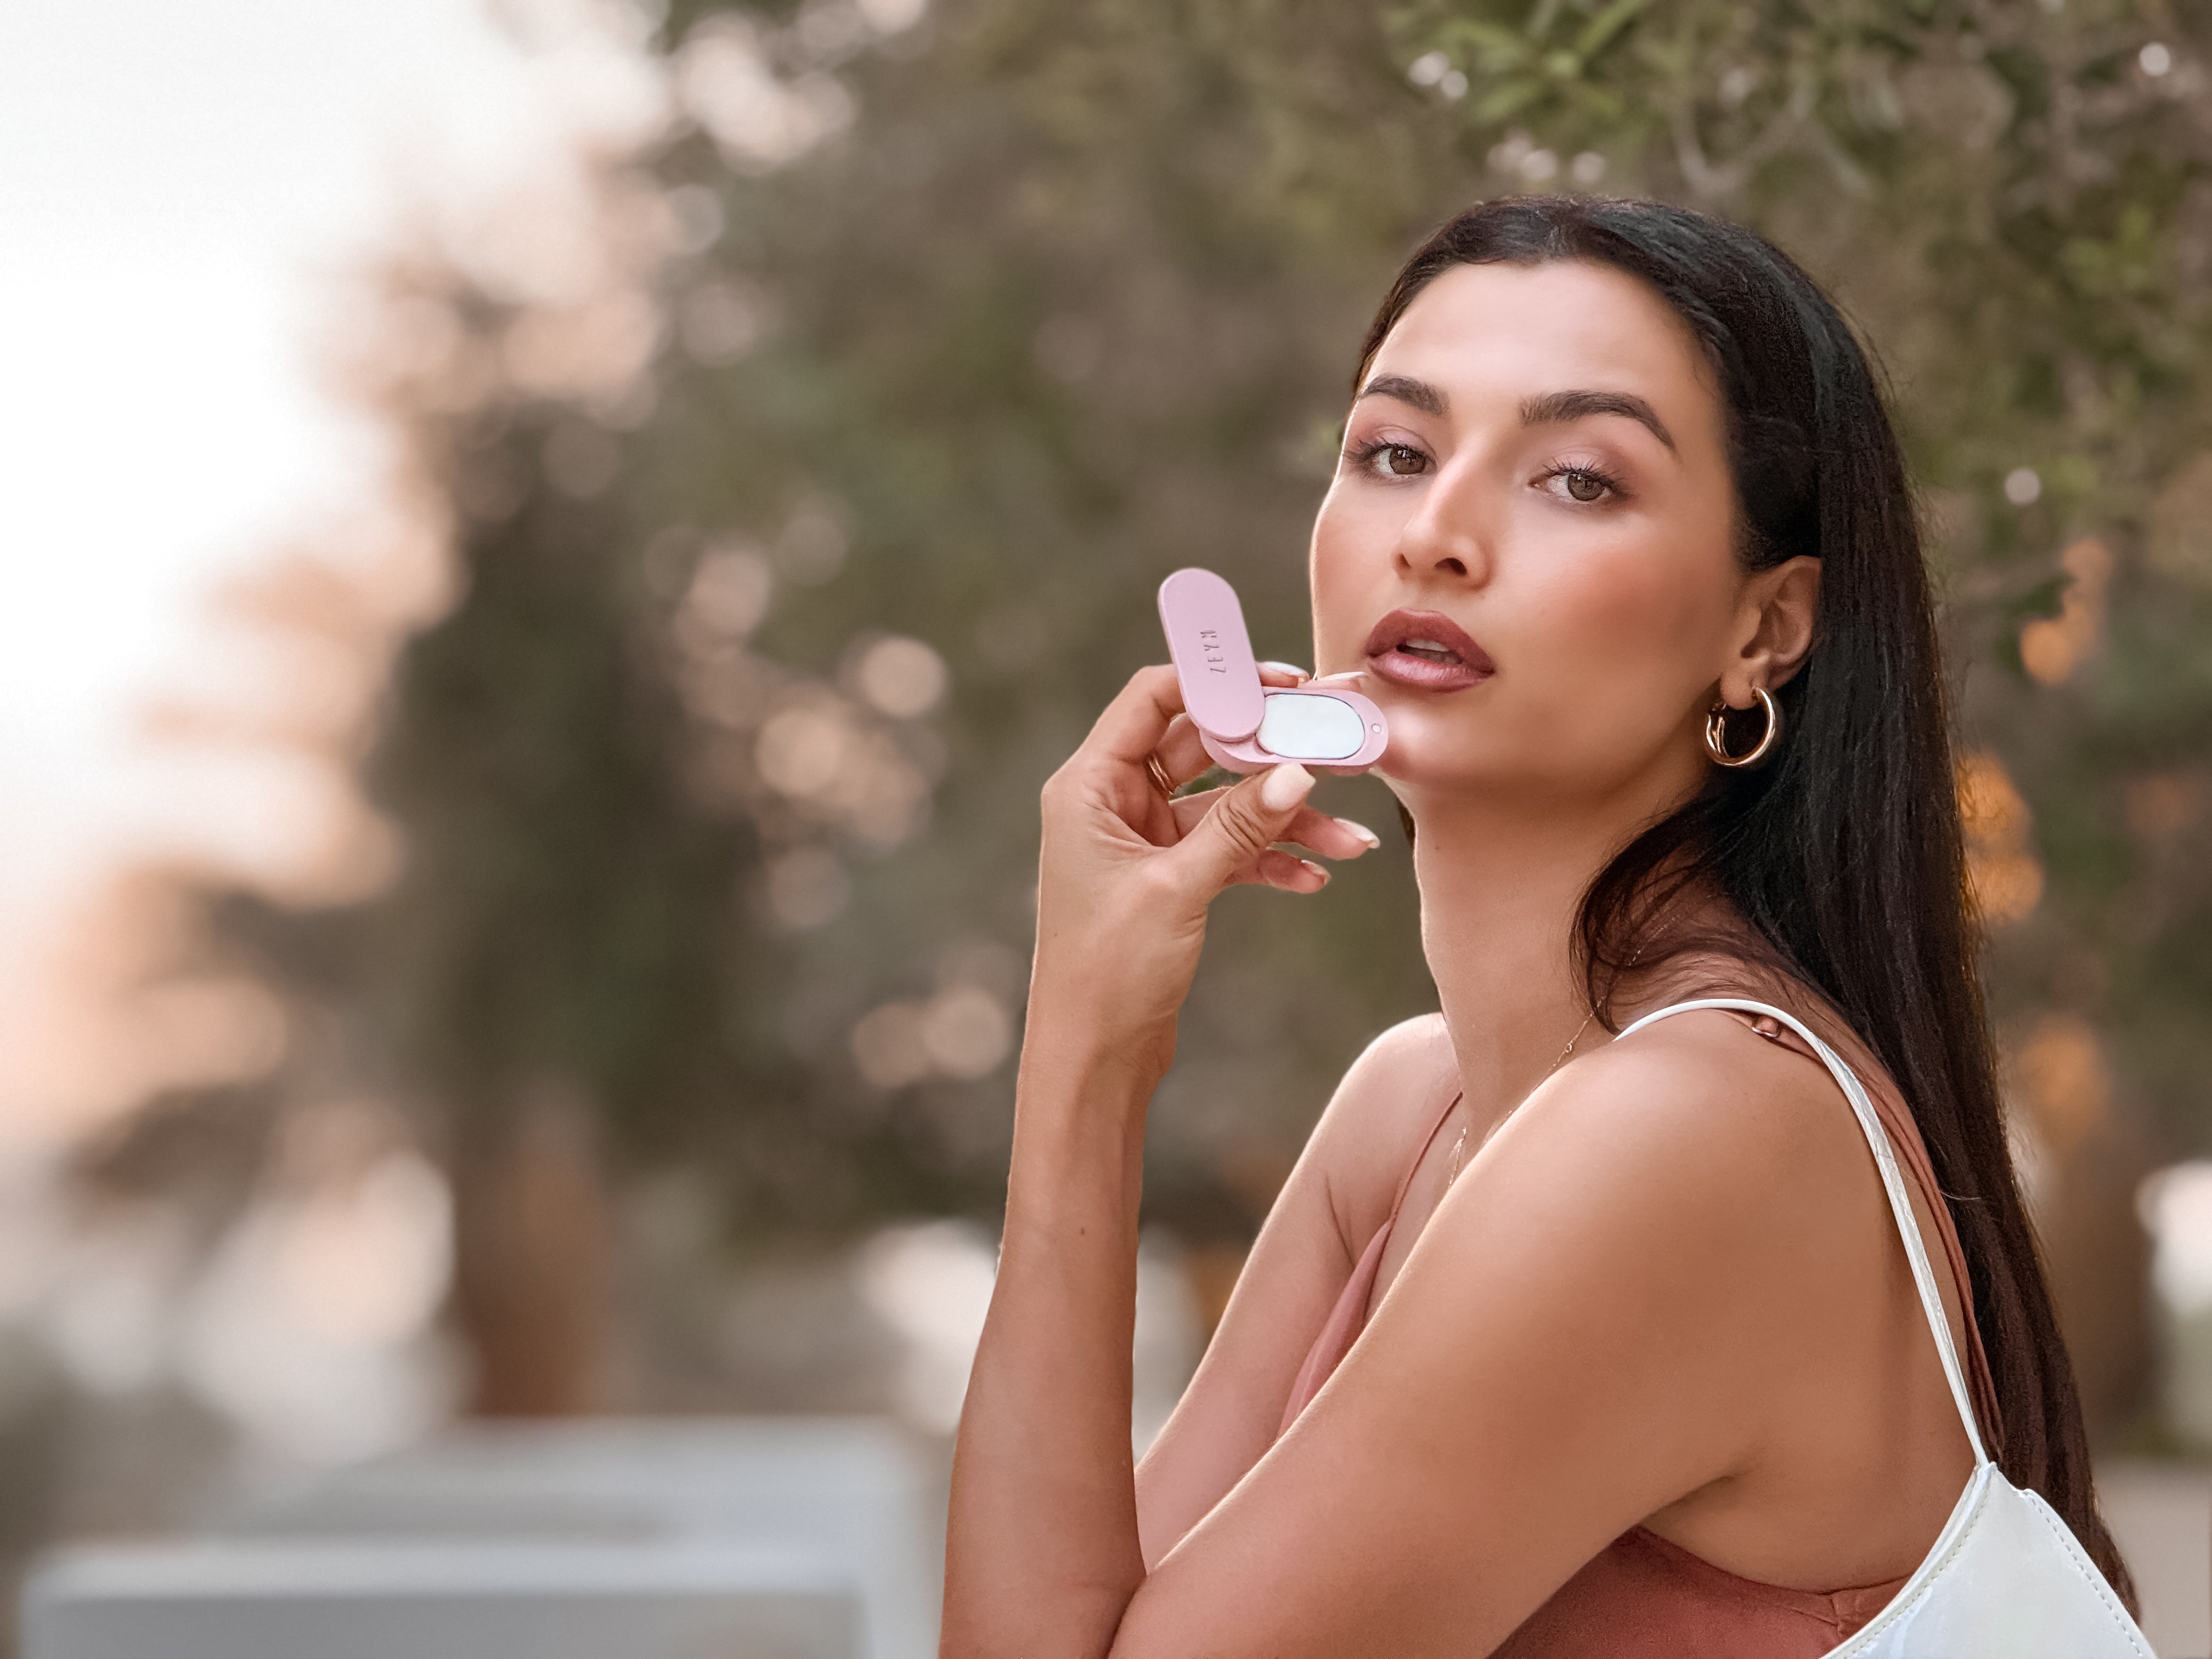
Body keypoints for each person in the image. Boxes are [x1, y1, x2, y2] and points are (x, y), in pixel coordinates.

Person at [941, 196, 2139, 1657]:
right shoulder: (1409, 1113)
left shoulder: (1695, 1130)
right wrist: (1089, 1038)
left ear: (1766, 631)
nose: (1436, 535)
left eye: (1576, 479)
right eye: (1395, 452)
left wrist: (1088, 1054)